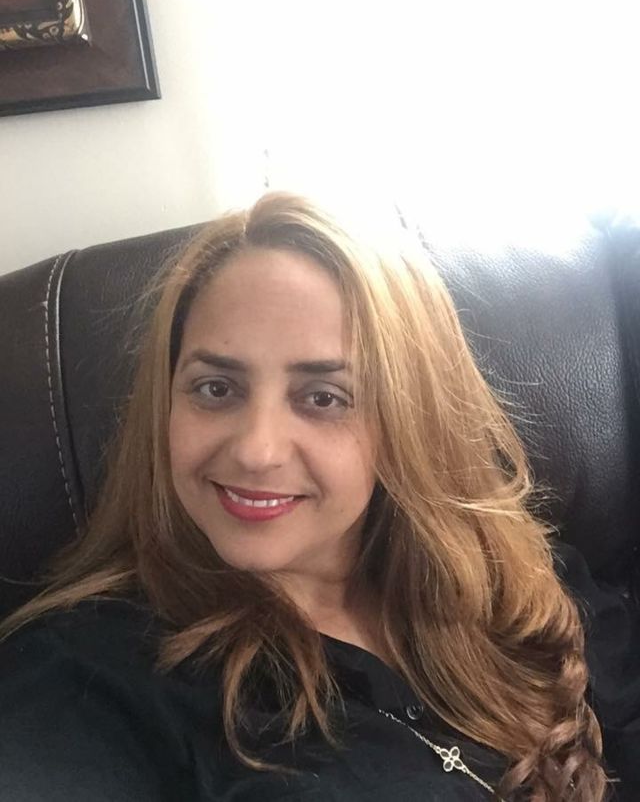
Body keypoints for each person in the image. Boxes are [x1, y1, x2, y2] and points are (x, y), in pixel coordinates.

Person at [0, 191, 637, 801]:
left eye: (323, 397)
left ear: (407, 422)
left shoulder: (513, 584)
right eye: (216, 388)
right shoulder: (80, 680)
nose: (257, 450)